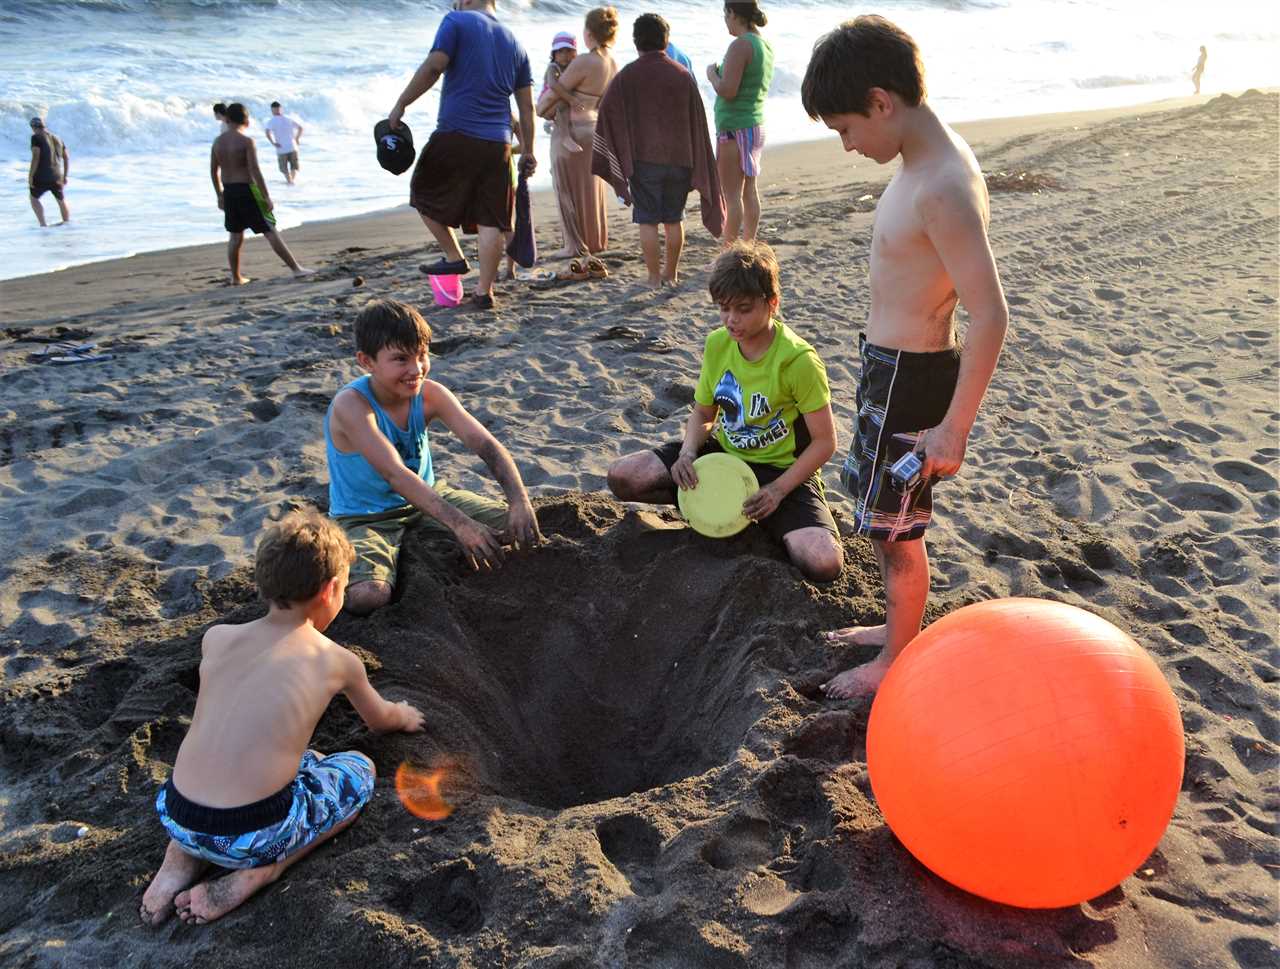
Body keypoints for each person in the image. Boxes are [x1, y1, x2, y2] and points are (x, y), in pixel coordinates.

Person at [801, 17, 1008, 698]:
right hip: (887, 372)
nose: (847, 145)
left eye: (846, 129)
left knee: (898, 533)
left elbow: (990, 314)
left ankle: (896, 658)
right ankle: (894, 632)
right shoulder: (921, 165)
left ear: (882, 102)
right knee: (884, 517)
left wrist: (953, 428)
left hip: (914, 384)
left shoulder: (941, 185)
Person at [138, 510, 425, 926]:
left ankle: (178, 861)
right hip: (252, 835)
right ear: (330, 591)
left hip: (177, 812)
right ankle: (267, 868)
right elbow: (379, 722)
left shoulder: (216, 639)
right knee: (357, 770)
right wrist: (403, 715)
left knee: (290, 758)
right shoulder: (336, 661)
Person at [607, 241, 843, 582]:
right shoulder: (718, 343)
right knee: (624, 476)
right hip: (722, 458)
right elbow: (704, 414)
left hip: (782, 472)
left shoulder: (799, 361)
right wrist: (687, 454)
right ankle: (711, 511)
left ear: (772, 303)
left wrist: (777, 491)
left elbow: (825, 443)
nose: (732, 320)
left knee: (823, 562)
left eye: (744, 309)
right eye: (723, 308)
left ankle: (759, 522)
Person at [325, 299, 543, 615]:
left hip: (428, 498)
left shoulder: (431, 394)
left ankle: (418, 544)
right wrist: (461, 524)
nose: (416, 369)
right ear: (366, 361)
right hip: (364, 514)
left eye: (422, 356)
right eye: (400, 359)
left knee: (516, 530)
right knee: (369, 597)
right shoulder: (352, 405)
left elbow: (486, 445)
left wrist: (519, 500)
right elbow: (394, 474)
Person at [388, 0, 537, 311]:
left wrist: (402, 103)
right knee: (491, 219)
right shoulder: (516, 43)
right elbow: (526, 108)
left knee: (422, 191)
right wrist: (530, 150)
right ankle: (484, 293)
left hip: (457, 132)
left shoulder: (455, 22)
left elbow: (434, 66)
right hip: (498, 144)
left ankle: (454, 257)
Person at [593, 13, 723, 288]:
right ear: (666, 40)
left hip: (643, 161)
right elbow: (697, 120)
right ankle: (672, 275)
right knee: (674, 219)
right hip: (680, 159)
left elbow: (607, 112)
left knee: (648, 221)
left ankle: (653, 278)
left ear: (636, 41)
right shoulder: (682, 74)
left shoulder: (627, 75)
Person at [538, 6, 619, 259]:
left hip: (571, 131)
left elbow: (550, 98)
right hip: (593, 128)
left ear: (589, 33)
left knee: (566, 188)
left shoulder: (585, 61)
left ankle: (573, 245)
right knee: (590, 188)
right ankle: (595, 240)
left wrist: (540, 108)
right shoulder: (611, 62)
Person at [211, 103, 311, 285]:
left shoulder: (218, 142)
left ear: (227, 119)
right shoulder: (246, 141)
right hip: (247, 189)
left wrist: (219, 195)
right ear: (245, 120)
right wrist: (266, 196)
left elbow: (213, 171)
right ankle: (296, 269)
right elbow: (255, 171)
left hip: (229, 191)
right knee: (269, 229)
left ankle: (235, 277)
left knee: (235, 235)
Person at [706, 1, 774, 245]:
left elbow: (728, 90)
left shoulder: (740, 45)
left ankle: (729, 252)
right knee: (749, 192)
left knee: (732, 196)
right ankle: (748, 245)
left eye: (725, 15)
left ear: (733, 14)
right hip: (754, 124)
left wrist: (712, 74)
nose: (725, 20)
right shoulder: (763, 44)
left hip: (735, 127)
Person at [540, 31, 582, 156]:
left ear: (575, 53)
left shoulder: (573, 68)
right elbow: (553, 85)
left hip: (558, 105)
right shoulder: (553, 67)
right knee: (563, 103)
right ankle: (565, 137)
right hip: (548, 103)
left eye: (568, 51)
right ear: (553, 54)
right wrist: (571, 99)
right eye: (560, 51)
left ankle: (556, 125)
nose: (564, 55)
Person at [28, 118, 70, 227]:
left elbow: (36, 157)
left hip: (41, 176)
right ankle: (67, 224)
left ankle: (43, 225)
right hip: (57, 176)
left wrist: (31, 176)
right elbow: (66, 158)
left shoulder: (36, 137)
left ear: (33, 127)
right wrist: (65, 176)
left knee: (34, 199)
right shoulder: (57, 138)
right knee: (61, 200)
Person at [264, 101, 304, 185]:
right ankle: (292, 181)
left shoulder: (271, 121)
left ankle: (290, 181)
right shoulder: (288, 119)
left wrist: (273, 143)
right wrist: (296, 139)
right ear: (281, 109)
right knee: (294, 166)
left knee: (284, 169)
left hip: (281, 148)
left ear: (272, 110)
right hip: (293, 147)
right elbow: (300, 128)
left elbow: (267, 133)